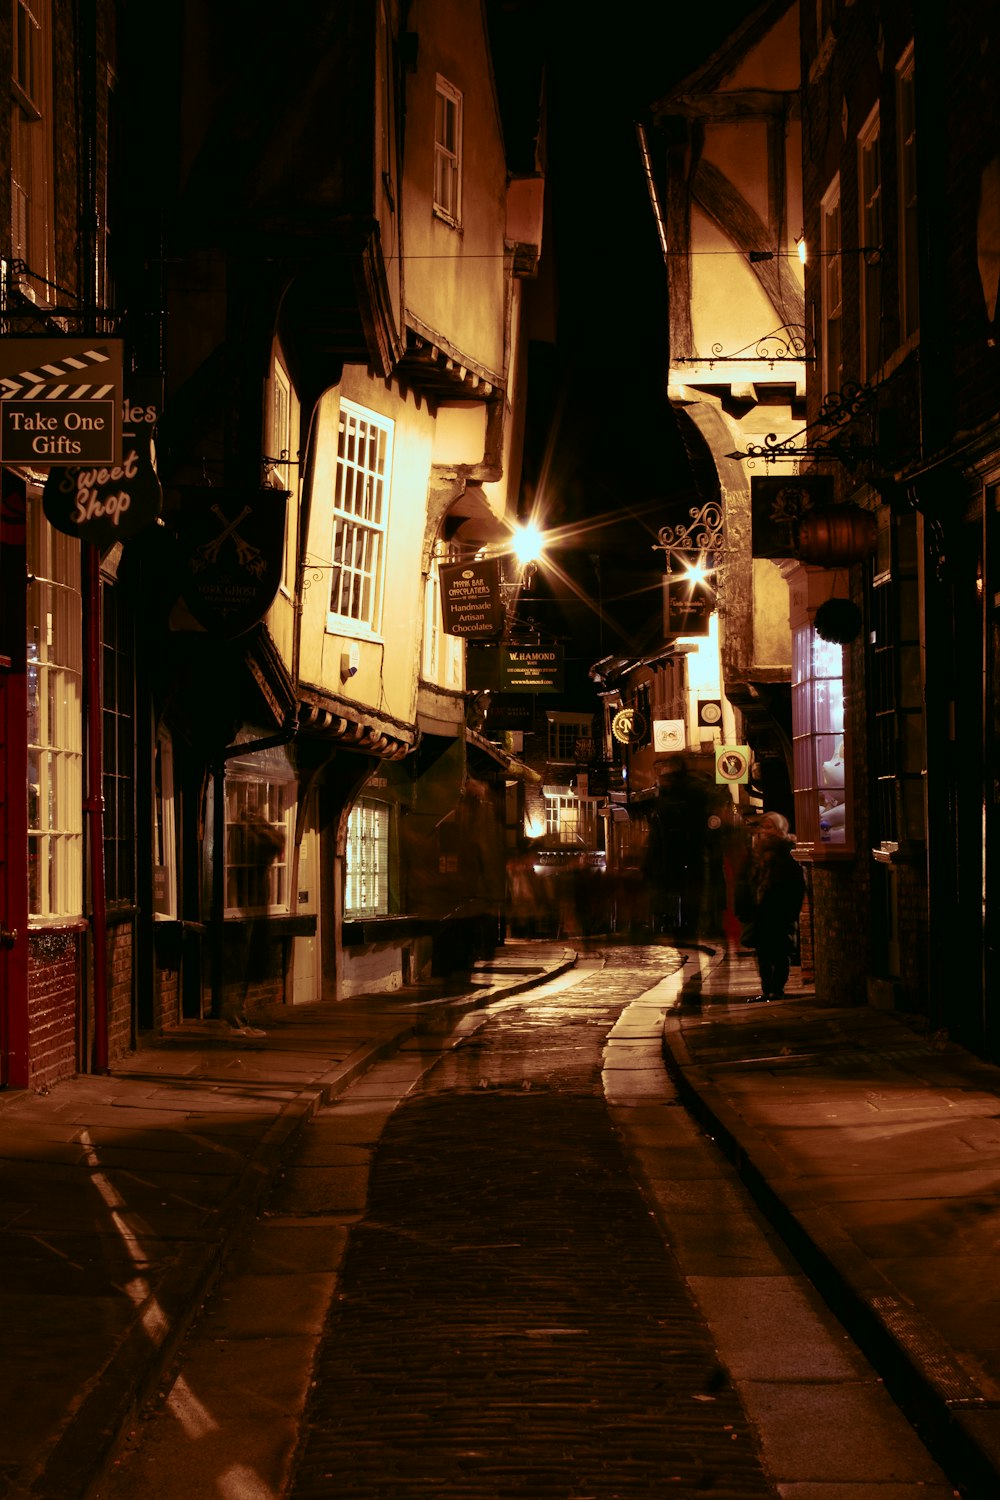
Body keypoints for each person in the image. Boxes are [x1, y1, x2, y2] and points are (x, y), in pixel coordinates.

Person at [736, 811, 805, 1001]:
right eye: (763, 827)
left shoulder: (787, 851)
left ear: (780, 829)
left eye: (770, 827)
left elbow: (795, 884)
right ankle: (767, 990)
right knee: (762, 954)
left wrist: (789, 911)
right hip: (760, 911)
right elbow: (747, 880)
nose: (765, 831)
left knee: (780, 952)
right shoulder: (756, 851)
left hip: (779, 910)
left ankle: (776, 990)